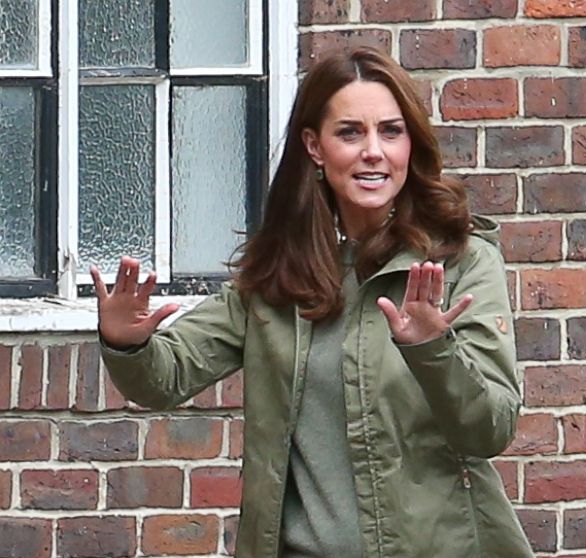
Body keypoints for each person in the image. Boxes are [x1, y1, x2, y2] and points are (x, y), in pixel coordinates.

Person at [92, 46, 533, 558]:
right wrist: (124, 341)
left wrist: (435, 347)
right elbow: (166, 377)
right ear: (315, 147)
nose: (374, 151)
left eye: (391, 131)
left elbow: (490, 429)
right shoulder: (279, 276)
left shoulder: (460, 261)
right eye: (350, 132)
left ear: (411, 145)